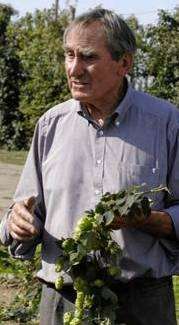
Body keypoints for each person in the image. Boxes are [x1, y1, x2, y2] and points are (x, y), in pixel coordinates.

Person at [0, 7, 179, 325]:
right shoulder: (51, 125)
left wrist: (150, 220)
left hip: (141, 304)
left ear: (124, 63)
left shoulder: (166, 124)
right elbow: (25, 209)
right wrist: (17, 224)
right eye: (69, 55)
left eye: (88, 57)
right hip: (62, 301)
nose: (74, 69)